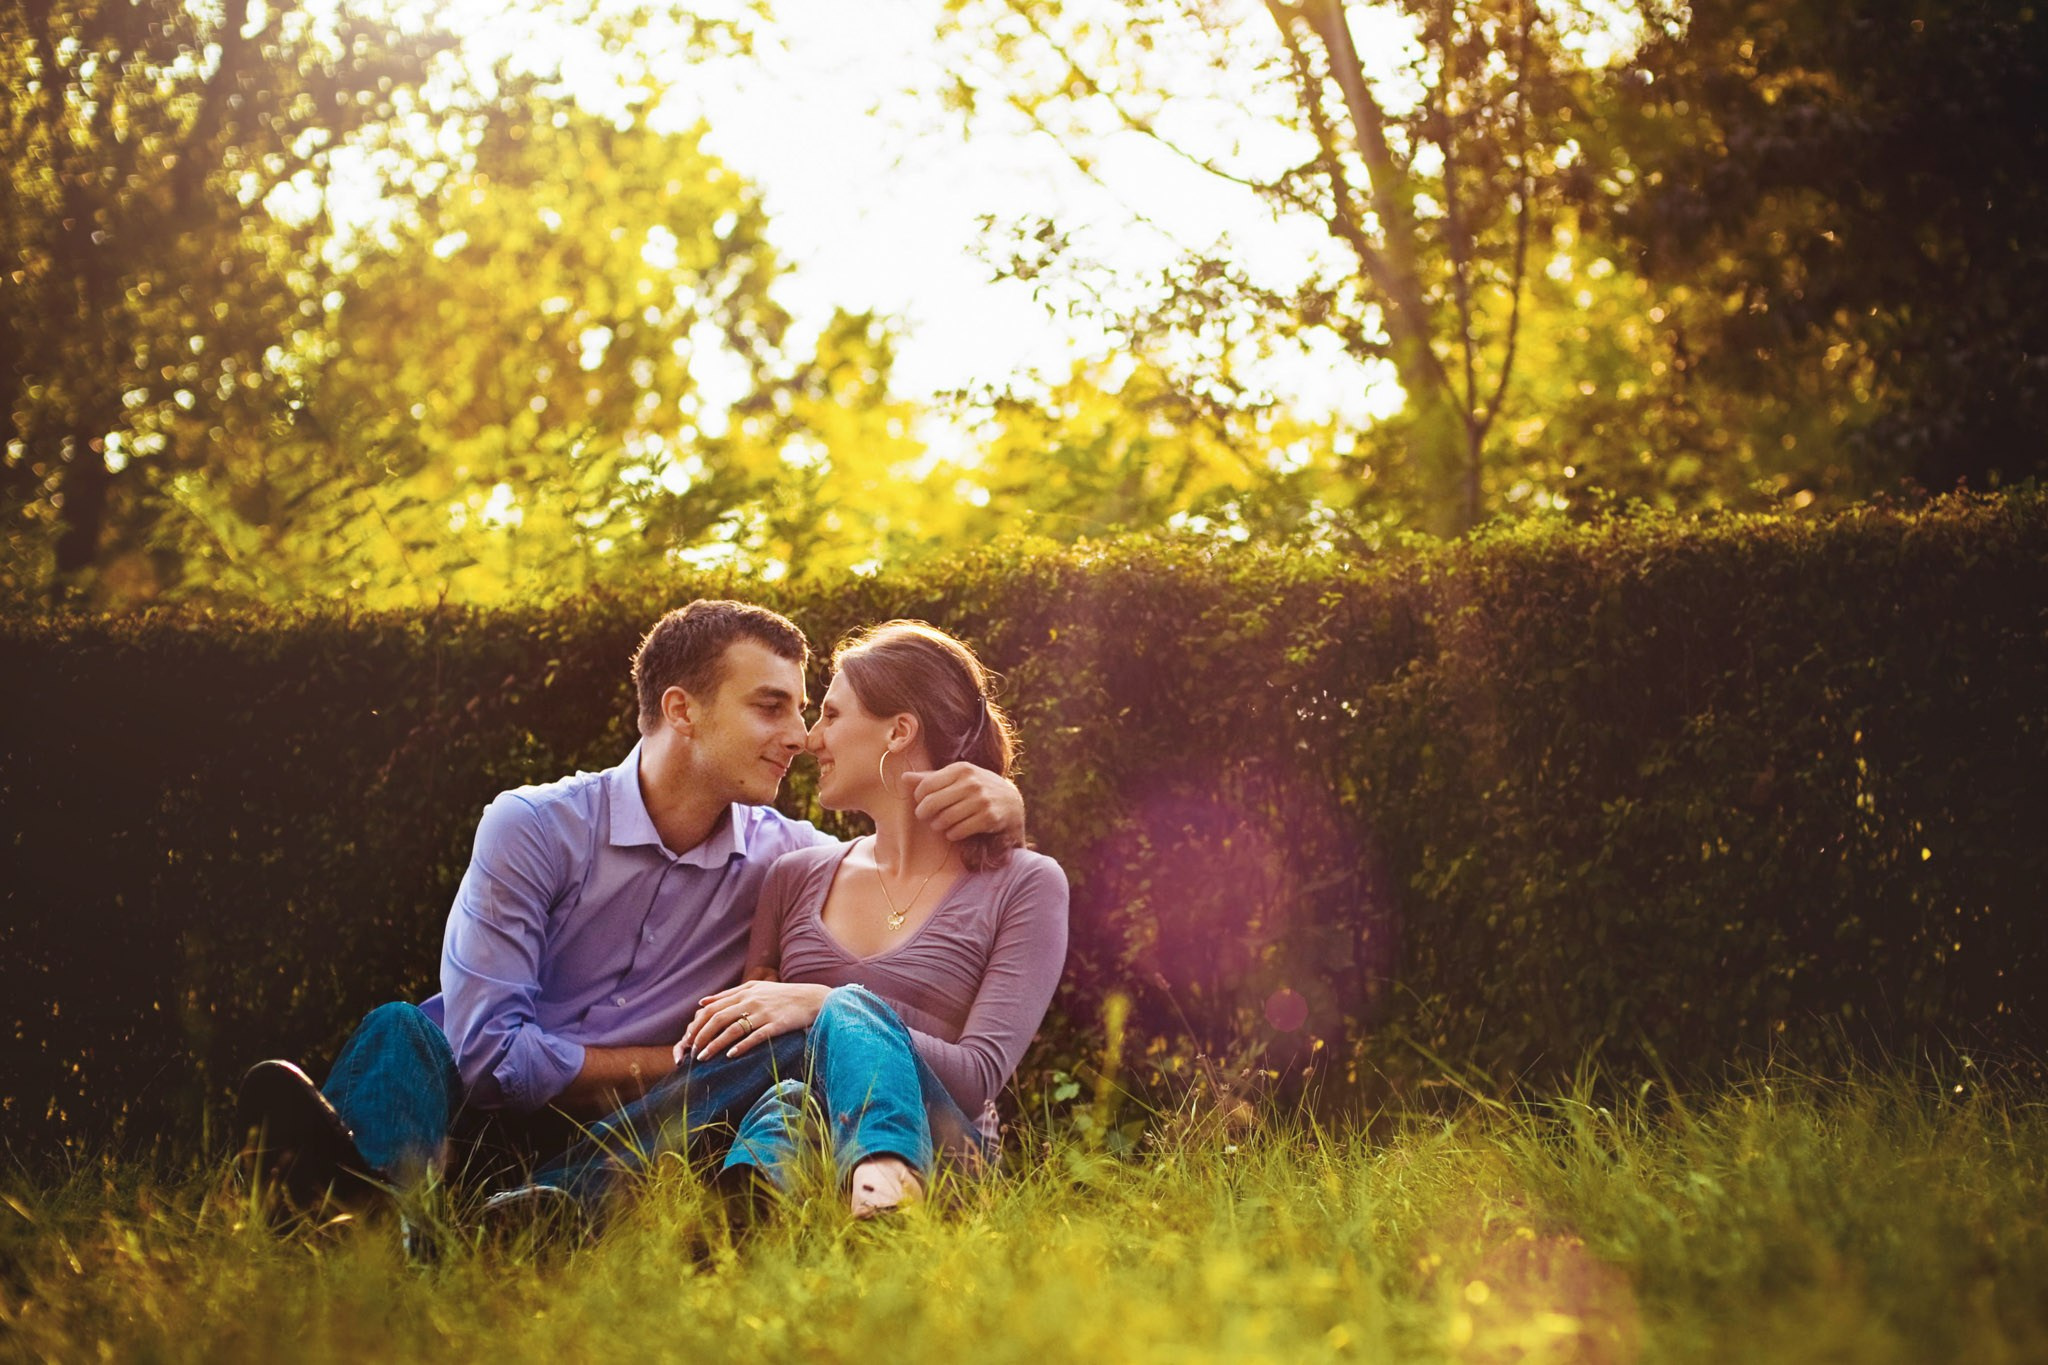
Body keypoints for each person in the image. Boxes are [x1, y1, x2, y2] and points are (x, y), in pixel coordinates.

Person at [235, 601, 1026, 1216]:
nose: (800, 736)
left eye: (804, 710)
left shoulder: (789, 858)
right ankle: (379, 1209)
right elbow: (489, 1057)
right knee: (401, 1027)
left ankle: (465, 1211)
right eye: (770, 707)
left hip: (644, 1128)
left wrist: (1002, 802)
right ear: (682, 710)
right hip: (481, 1114)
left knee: (782, 1052)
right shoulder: (535, 824)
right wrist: (683, 1060)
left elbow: (912, 861)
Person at [511, 620, 1068, 1220]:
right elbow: (755, 1049)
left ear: (898, 731)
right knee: (786, 1086)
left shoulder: (1026, 884)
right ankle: (747, 1216)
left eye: (830, 714)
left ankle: (887, 1177)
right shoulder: (794, 873)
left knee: (847, 1009)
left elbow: (978, 1077)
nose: (809, 739)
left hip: (946, 1155)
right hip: (797, 1137)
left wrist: (824, 1003)